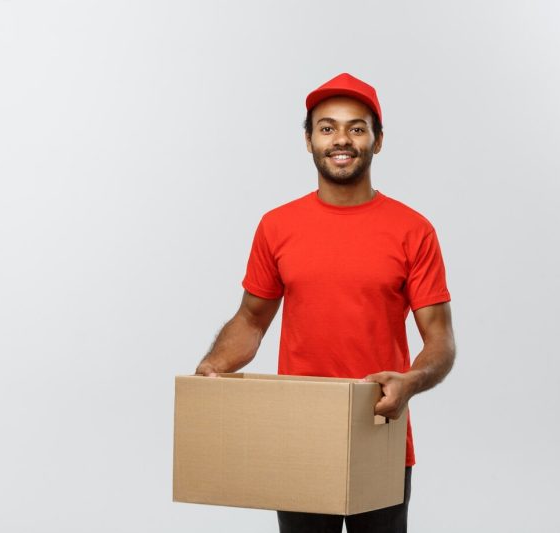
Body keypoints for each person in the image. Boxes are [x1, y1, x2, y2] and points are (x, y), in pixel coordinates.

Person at [195, 72, 456, 533]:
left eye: (357, 128)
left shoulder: (413, 230)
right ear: (309, 139)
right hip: (300, 433)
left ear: (377, 142)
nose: (342, 139)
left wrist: (411, 382)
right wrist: (214, 366)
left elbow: (439, 338)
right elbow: (252, 318)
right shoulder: (277, 226)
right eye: (327, 127)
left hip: (378, 429)